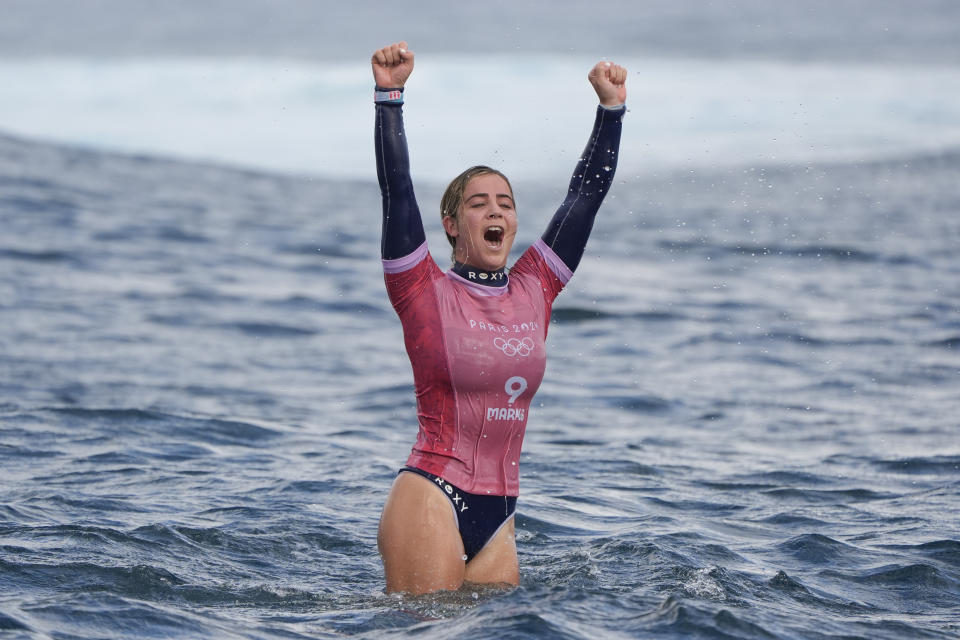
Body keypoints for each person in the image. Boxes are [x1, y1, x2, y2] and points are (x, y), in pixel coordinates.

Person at [372, 41, 626, 595]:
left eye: (506, 203)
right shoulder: (420, 288)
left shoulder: (538, 286)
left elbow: (584, 197)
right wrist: (389, 97)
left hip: (501, 512)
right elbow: (398, 189)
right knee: (426, 633)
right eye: (479, 202)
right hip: (431, 492)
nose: (496, 211)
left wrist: (611, 112)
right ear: (451, 224)